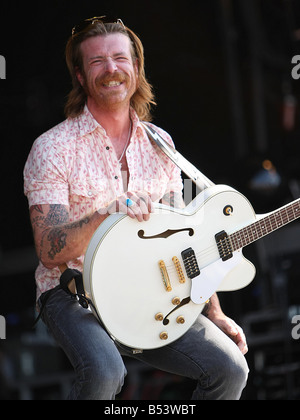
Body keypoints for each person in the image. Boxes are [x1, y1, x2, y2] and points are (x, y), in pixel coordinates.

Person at [24, 16, 249, 400]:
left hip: (150, 291)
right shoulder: (52, 148)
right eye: (97, 62)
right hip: (74, 292)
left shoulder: (160, 144)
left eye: (119, 58)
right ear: (80, 76)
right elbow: (48, 251)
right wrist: (103, 217)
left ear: (136, 67)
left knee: (230, 370)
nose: (111, 69)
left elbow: (188, 237)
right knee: (105, 374)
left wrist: (214, 311)